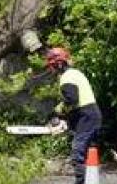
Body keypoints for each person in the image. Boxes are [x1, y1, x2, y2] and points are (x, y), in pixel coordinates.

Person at [46, 47, 101, 184]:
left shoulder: (66, 77)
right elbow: (77, 104)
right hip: (91, 114)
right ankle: (91, 180)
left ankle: (81, 182)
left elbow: (72, 99)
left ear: (58, 64)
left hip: (86, 115)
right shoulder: (76, 73)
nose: (52, 69)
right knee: (89, 150)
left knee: (77, 151)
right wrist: (67, 119)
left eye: (52, 65)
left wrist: (58, 111)